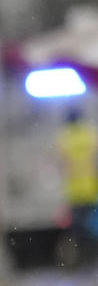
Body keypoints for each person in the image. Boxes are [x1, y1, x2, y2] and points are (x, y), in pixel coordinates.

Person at [56, 107, 98, 265]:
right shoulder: (90, 135)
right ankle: (93, 255)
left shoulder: (64, 139)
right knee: (93, 225)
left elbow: (62, 164)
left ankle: (80, 257)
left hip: (74, 191)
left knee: (77, 227)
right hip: (92, 189)